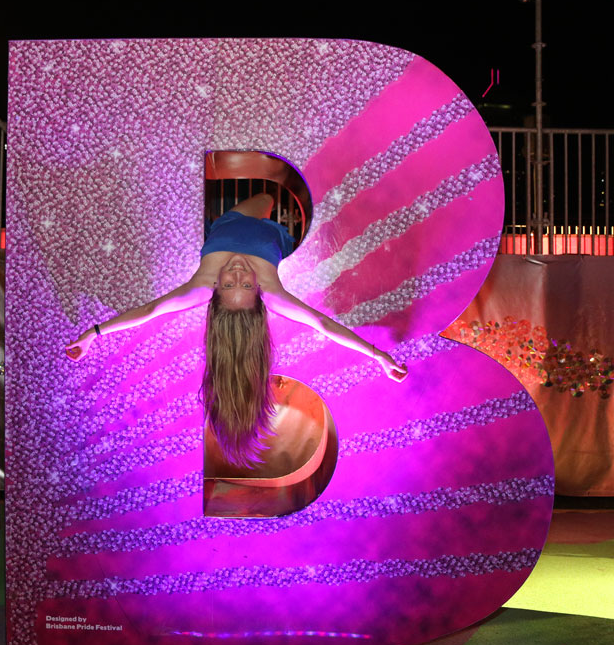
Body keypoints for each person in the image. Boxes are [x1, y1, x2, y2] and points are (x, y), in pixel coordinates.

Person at [66, 193, 407, 467]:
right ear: (259, 295)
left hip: (231, 222)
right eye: (246, 282)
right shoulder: (273, 293)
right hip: (272, 236)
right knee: (271, 206)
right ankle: (280, 221)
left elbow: (151, 310)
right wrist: (377, 355)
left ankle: (270, 208)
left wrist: (94, 333)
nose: (239, 269)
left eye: (230, 282)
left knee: (264, 198)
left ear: (216, 292)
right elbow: (323, 324)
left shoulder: (201, 285)